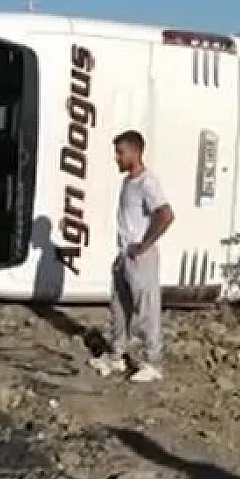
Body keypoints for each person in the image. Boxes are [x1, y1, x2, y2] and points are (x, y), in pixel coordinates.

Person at [91, 130, 174, 383]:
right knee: (119, 306)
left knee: (146, 308)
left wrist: (144, 245)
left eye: (120, 152)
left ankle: (151, 362)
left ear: (135, 153)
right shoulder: (129, 181)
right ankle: (117, 355)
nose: (116, 158)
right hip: (124, 254)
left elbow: (166, 214)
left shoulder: (148, 182)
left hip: (140, 257)